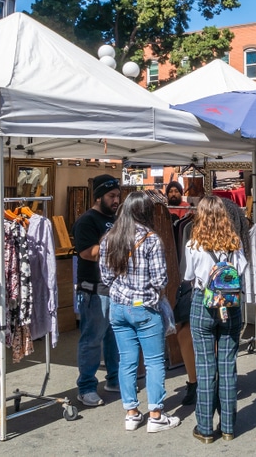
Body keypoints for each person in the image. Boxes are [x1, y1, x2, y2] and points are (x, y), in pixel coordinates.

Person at [100, 191, 181, 433]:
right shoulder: (151, 239)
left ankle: (132, 413)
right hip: (144, 308)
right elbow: (160, 279)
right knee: (155, 361)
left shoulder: (109, 239)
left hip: (118, 307)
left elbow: (105, 277)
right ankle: (156, 414)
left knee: (127, 361)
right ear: (145, 212)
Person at [184, 196, 248, 443]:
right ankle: (229, 426)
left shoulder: (193, 245)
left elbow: (189, 275)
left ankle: (205, 428)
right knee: (228, 365)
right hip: (230, 306)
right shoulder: (235, 243)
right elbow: (241, 272)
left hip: (203, 305)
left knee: (205, 366)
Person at [72, 174, 122, 407]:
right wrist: (114, 244)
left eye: (118, 197)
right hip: (93, 291)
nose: (116, 201)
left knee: (114, 338)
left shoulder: (116, 218)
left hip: (114, 288)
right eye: (111, 196)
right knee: (92, 340)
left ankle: (113, 379)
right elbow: (86, 253)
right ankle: (86, 387)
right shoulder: (87, 221)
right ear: (99, 196)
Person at [164, 180, 198, 405]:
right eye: (171, 191)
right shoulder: (172, 218)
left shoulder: (188, 228)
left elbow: (188, 271)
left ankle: (195, 382)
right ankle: (205, 381)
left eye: (177, 190)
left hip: (193, 290)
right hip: (219, 298)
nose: (174, 194)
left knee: (186, 332)